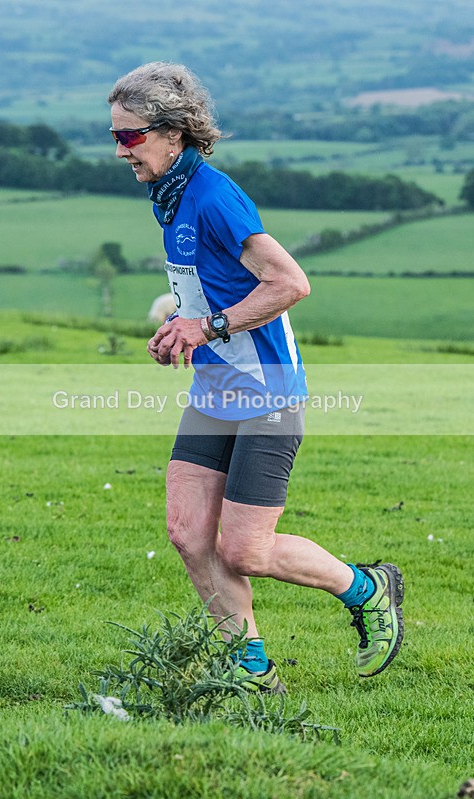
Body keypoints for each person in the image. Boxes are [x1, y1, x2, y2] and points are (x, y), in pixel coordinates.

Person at [108, 62, 404, 692]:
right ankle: (252, 672)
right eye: (116, 135)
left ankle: (368, 587)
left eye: (130, 136)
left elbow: (290, 282)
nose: (120, 150)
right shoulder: (169, 197)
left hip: (267, 392)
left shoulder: (214, 196)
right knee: (189, 533)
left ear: (173, 133)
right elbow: (206, 290)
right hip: (214, 390)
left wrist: (208, 328)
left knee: (245, 550)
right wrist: (182, 330)